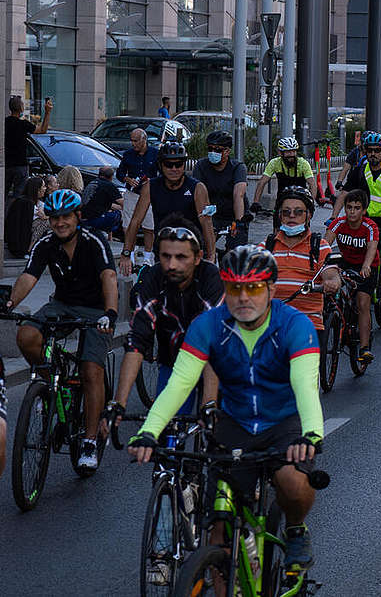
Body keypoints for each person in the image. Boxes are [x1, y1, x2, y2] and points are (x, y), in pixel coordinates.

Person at [127, 245, 324, 571]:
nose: (243, 298)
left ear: (271, 289)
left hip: (284, 421)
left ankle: (296, 529)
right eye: (234, 288)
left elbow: (305, 386)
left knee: (292, 481)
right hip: (234, 422)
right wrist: (149, 431)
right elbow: (179, 383)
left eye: (254, 288)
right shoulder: (208, 325)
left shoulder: (295, 326)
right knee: (218, 529)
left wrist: (312, 434)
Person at [6, 190, 117, 470]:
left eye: (66, 216)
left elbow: (109, 276)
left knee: (91, 370)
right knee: (26, 336)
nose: (60, 223)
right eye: (54, 217)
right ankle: (51, 386)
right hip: (62, 305)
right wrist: (9, 303)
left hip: (95, 311)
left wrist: (110, 313)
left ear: (78, 217)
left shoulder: (94, 241)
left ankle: (90, 441)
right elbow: (28, 277)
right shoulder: (46, 244)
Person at [104, 217, 222, 433]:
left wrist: (209, 404)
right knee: (167, 435)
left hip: (215, 363)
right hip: (175, 361)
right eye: (166, 257)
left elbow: (210, 343)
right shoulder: (154, 277)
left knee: (218, 437)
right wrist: (118, 403)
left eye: (181, 257)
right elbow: (137, 340)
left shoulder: (210, 277)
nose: (172, 265)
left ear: (198, 258)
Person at [332, 132, 381, 325]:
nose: (373, 154)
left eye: (377, 151)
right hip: (364, 222)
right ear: (365, 151)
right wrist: (334, 215)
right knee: (357, 259)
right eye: (369, 150)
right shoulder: (359, 170)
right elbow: (346, 193)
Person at [263, 186, 342, 358]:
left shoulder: (319, 246)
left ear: (309, 215)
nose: (292, 216)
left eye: (298, 212)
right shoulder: (266, 246)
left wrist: (331, 283)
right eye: (286, 212)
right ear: (280, 216)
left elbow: (331, 275)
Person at [120, 142, 216, 274]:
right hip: (164, 251)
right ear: (161, 165)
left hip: (190, 252)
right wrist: (126, 253)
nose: (174, 169)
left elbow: (207, 223)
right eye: (169, 165)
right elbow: (136, 221)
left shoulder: (197, 188)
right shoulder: (150, 186)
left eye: (179, 164)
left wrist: (211, 257)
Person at [325, 190, 378, 360]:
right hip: (345, 263)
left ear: (364, 210)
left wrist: (366, 266)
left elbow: (372, 248)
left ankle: (364, 347)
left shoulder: (370, 226)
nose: (352, 212)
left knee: (363, 303)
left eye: (357, 208)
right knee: (330, 289)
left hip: (366, 266)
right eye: (349, 207)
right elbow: (325, 245)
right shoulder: (338, 224)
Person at [192, 130, 250, 249]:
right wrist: (206, 222)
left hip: (233, 214)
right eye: (210, 149)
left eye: (218, 150)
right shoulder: (201, 166)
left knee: (236, 249)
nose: (213, 152)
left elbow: (238, 195)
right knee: (201, 247)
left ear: (227, 151)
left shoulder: (238, 167)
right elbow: (199, 194)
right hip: (212, 214)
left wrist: (238, 222)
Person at [116, 127, 160, 260]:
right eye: (131, 141)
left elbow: (163, 173)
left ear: (144, 140)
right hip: (132, 194)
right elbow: (119, 173)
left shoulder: (156, 154)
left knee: (149, 226)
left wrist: (152, 182)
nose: (133, 144)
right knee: (128, 226)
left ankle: (147, 256)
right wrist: (127, 179)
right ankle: (131, 254)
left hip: (149, 195)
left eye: (136, 141)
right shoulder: (128, 154)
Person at [253, 137, 317, 209]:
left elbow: (312, 184)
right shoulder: (274, 163)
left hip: (301, 199)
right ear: (280, 153)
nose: (292, 154)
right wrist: (256, 202)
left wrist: (311, 204)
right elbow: (262, 182)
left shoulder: (303, 163)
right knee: (277, 216)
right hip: (282, 199)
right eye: (288, 152)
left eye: (294, 151)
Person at [5, 95, 51, 196]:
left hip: (6, 164)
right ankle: (16, 211)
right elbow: (43, 130)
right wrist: (47, 112)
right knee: (19, 196)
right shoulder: (24, 124)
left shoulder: (4, 123)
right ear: (21, 108)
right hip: (20, 164)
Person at [79, 166, 123, 234]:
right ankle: (105, 231)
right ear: (111, 177)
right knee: (118, 214)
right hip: (95, 219)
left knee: (111, 209)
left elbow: (103, 203)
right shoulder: (109, 185)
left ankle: (107, 236)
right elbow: (123, 203)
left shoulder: (92, 182)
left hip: (83, 218)